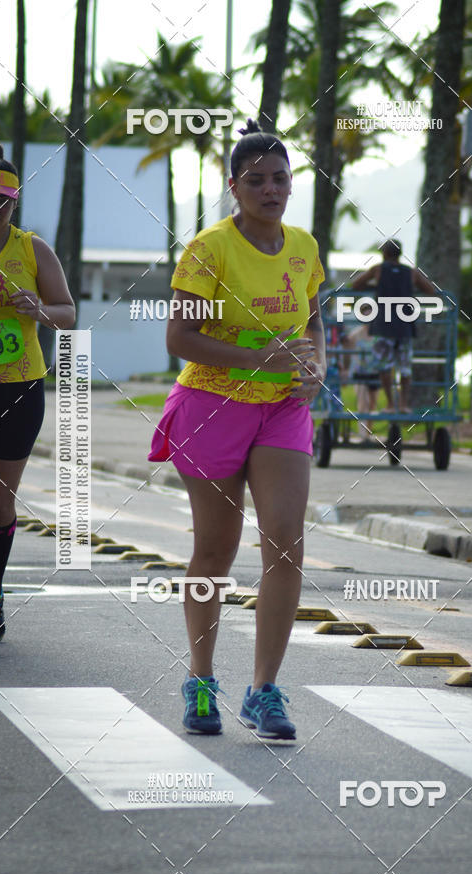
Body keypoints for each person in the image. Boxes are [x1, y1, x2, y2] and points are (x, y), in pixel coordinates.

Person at [149, 120, 326, 739]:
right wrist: (261, 359)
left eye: (280, 178)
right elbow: (179, 339)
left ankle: (265, 691)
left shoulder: (304, 247)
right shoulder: (209, 249)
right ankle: (200, 682)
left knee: (286, 543)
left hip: (283, 407)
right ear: (234, 187)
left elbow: (313, 322)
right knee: (216, 550)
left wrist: (316, 364)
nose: (270, 190)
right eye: (256, 180)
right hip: (212, 403)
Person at [0, 137, 75, 646]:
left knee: (1, 505)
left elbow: (67, 314)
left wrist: (37, 310)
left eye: (3, 201)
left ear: (15, 201)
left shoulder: (32, 248)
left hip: (20, 386)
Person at [350, 238, 436, 413]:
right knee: (405, 367)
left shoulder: (378, 270)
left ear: (384, 254)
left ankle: (390, 404)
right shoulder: (411, 272)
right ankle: (404, 404)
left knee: (384, 366)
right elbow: (431, 290)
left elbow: (355, 284)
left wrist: (375, 284)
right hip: (405, 325)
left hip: (383, 325)